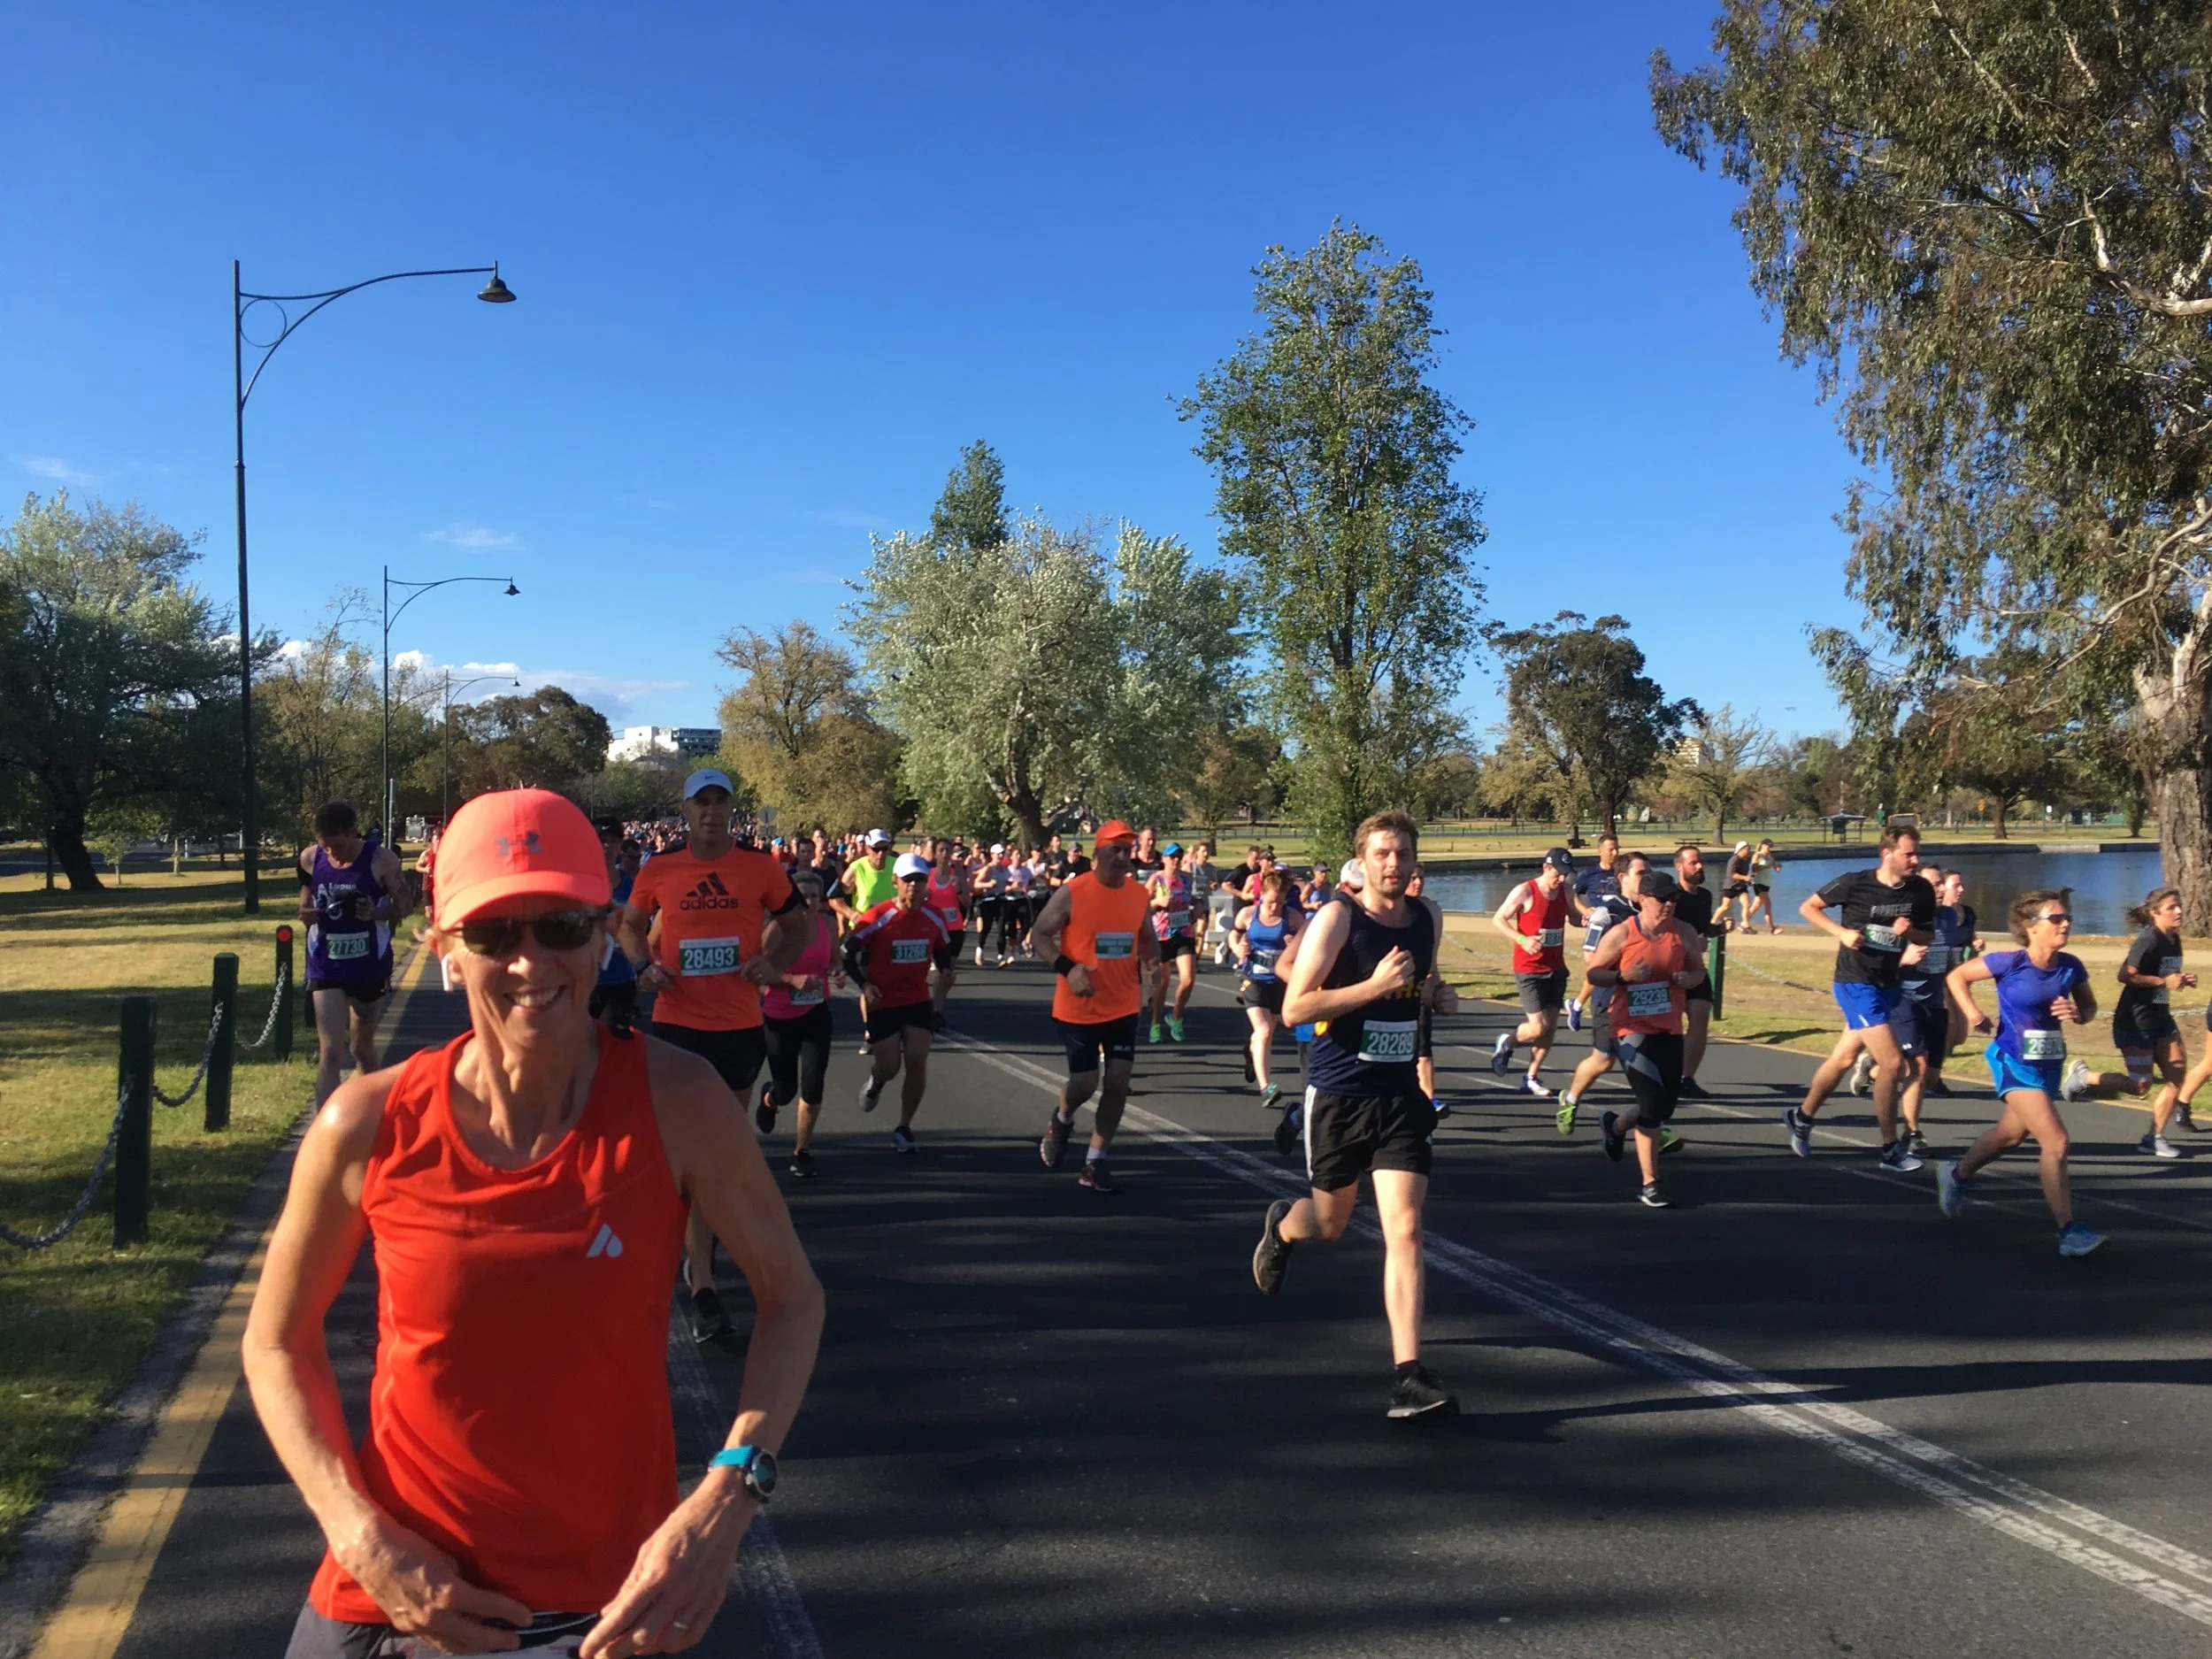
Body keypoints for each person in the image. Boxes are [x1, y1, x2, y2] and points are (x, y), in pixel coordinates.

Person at [247, 787, 823, 1659]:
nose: (530, 961)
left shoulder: (678, 1100)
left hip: (601, 1613)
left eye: (560, 925)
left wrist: (728, 1495)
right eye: (492, 933)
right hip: (389, 1594)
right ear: (444, 946)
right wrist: (359, 1536)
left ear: (604, 934)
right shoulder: (364, 1123)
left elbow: (793, 1298)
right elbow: (274, 1341)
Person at [1250, 810, 1460, 1421]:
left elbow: (1420, 984)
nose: (1393, 864)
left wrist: (1435, 995)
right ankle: (1282, 1227)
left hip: (1399, 1095)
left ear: (1415, 860)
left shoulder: (1428, 917)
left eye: (1403, 853)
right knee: (1330, 1222)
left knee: (1406, 1228)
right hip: (1340, 1093)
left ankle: (1407, 1376)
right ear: (1362, 861)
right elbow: (1296, 1008)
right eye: (1382, 854)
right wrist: (1372, 987)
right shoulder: (1338, 918)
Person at [618, 769, 807, 1342]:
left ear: (731, 810)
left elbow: (797, 925)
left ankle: (698, 1265)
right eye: (701, 802)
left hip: (739, 1028)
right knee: (683, 1155)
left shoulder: (761, 867)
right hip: (678, 1026)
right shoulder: (659, 868)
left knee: (717, 1157)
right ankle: (702, 1282)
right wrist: (643, 967)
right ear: (686, 811)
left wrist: (774, 964)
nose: (711, 811)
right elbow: (630, 926)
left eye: (720, 802)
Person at [1938, 888, 2106, 1256]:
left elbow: (2090, 1008)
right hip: (2012, 1060)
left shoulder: (2071, 966)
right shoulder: (2010, 962)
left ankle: (1956, 1174)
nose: (2065, 924)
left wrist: (2078, 1014)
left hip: (2048, 1063)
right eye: (2056, 918)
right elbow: (1957, 977)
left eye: (2067, 918)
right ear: (2031, 926)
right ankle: (2068, 1232)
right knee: (2056, 1142)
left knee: (2010, 1135)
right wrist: (1973, 1014)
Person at [1782, 826, 1935, 1171]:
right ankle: (1890, 1149)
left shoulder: (1921, 890)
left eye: (1917, 853)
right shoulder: (1855, 883)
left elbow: (1927, 934)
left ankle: (1801, 1117)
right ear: (1887, 854)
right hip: (1855, 982)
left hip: (1889, 983)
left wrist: (1910, 932)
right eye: (1909, 853)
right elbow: (1809, 907)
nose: (1916, 860)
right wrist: (1841, 932)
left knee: (1844, 1058)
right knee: (1892, 1064)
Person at [1033, 821, 1157, 1193]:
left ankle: (1095, 1162)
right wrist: (1068, 970)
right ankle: (1063, 1118)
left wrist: (1152, 973)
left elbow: (1148, 939)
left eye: (1127, 850)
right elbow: (1039, 934)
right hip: (1080, 1005)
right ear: (1098, 853)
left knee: (1118, 1081)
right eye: (1114, 850)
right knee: (1085, 1083)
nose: (1121, 857)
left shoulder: (1138, 895)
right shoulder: (1073, 892)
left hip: (1123, 1003)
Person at [1583, 868, 1707, 1208]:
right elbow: (1594, 973)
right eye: (1662, 899)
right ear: (1643, 899)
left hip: (1669, 1027)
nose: (1669, 904)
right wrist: (1623, 976)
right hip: (1629, 1028)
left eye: (1673, 898)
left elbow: (1698, 971)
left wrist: (1688, 979)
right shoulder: (1623, 932)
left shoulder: (1684, 932)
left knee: (1665, 1105)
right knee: (1651, 1103)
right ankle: (1651, 1183)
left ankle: (1615, 1126)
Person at [2062, 886, 2195, 1159]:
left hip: (2161, 1018)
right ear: (2155, 912)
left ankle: (2153, 1138)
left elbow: (2165, 973)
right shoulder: (2148, 939)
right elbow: (2125, 975)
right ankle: (2083, 1077)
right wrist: (2163, 981)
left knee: (2176, 1077)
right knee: (2140, 1086)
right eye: (2172, 907)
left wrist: (2181, 979)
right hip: (2135, 1020)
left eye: (2179, 905)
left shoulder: (2173, 938)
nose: (2179, 911)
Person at [297, 802, 412, 1108]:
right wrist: (306, 913)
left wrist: (376, 913)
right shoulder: (309, 858)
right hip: (326, 965)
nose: (333, 853)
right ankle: (324, 1131)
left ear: (354, 833)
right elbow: (305, 901)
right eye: (326, 847)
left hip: (368, 965)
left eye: (339, 846)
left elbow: (405, 906)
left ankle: (380, 1111)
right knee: (331, 1053)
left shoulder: (381, 860)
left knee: (361, 1048)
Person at [843, 852, 951, 1154]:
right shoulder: (878, 916)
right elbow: (847, 953)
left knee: (917, 1060)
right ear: (896, 882)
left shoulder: (934, 915)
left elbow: (942, 948)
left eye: (920, 880)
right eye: (908, 880)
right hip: (884, 1001)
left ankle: (904, 1127)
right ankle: (876, 1081)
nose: (914, 886)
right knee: (889, 1066)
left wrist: (946, 969)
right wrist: (864, 985)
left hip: (916, 998)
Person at [757, 866, 841, 1179]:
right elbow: (758, 972)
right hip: (779, 1016)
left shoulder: (828, 924)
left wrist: (837, 970)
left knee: (813, 1084)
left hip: (816, 1013)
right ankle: (770, 1098)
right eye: (803, 896)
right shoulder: (777, 929)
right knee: (786, 1088)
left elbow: (835, 958)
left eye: (815, 896)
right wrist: (792, 980)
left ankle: (801, 1151)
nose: (809, 902)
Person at [1490, 849, 1578, 1098]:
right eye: (1558, 874)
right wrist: (1522, 939)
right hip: (1529, 969)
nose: (1562, 879)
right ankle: (1507, 1042)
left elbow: (1572, 917)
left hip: (1555, 968)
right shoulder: (1525, 891)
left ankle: (1530, 1077)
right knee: (1538, 1027)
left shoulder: (1566, 891)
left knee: (1550, 1028)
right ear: (1546, 868)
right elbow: (1498, 919)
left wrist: (1588, 919)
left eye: (1566, 874)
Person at [1233, 868, 1307, 1110]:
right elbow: (1234, 935)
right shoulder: (1248, 914)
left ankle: (1251, 1052)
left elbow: (1307, 945)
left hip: (1279, 982)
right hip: (1253, 979)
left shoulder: (1293, 918)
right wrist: (1237, 948)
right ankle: (1266, 1088)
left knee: (1266, 1033)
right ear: (1262, 895)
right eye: (1271, 902)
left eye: (1280, 902)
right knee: (1263, 1030)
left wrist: (1294, 944)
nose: (1275, 907)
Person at [1666, 844, 1726, 1098]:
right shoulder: (1670, 897)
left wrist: (1719, 929)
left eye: (1701, 861)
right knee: (1668, 1025)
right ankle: (1663, 1075)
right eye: (1694, 862)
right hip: (1670, 969)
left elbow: (1702, 930)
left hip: (1695, 968)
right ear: (1679, 867)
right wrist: (1688, 944)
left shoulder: (1705, 896)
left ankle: (1687, 1078)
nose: (1700, 866)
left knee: (1700, 1015)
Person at [590, 819, 641, 1037]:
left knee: (614, 1042)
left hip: (622, 978)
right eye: (601, 840)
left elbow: (641, 926)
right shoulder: (577, 883)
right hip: (586, 980)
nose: (607, 846)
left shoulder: (632, 881)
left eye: (613, 841)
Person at [1147, 841, 1201, 1041]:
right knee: (1162, 983)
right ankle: (1155, 1023)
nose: (1176, 860)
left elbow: (1193, 898)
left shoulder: (1186, 878)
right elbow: (1142, 904)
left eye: (1178, 856)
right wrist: (1157, 902)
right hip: (1161, 935)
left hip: (1183, 932)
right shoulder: (1156, 879)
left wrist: (1198, 907)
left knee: (1188, 979)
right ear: (1164, 859)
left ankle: (1175, 1017)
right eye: (1172, 857)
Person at [925, 835, 969, 1028]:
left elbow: (967, 903)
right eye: (941, 850)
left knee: (948, 973)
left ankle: (937, 1009)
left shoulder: (957, 875)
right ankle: (933, 1009)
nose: (944, 854)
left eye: (948, 851)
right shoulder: (928, 876)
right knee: (938, 970)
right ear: (935, 854)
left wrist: (959, 888)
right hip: (934, 929)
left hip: (954, 929)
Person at [1747, 838, 1782, 933]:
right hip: (1758, 883)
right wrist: (1766, 867)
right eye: (1768, 846)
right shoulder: (1757, 855)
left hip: (1766, 883)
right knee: (1768, 904)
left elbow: (1776, 868)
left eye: (1771, 847)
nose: (1770, 848)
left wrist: (1778, 866)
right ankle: (1772, 928)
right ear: (1763, 845)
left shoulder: (1770, 856)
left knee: (1756, 905)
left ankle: (1743, 923)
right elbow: (1754, 869)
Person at [1722, 841, 1755, 930]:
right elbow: (1731, 874)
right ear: (1741, 849)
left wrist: (1748, 880)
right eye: (1747, 849)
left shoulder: (1746, 860)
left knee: (1747, 905)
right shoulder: (1734, 860)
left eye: (1749, 849)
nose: (1749, 851)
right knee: (1725, 907)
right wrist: (1745, 878)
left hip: (1741, 886)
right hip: (1731, 886)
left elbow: (1745, 874)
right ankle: (1713, 921)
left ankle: (1745, 926)